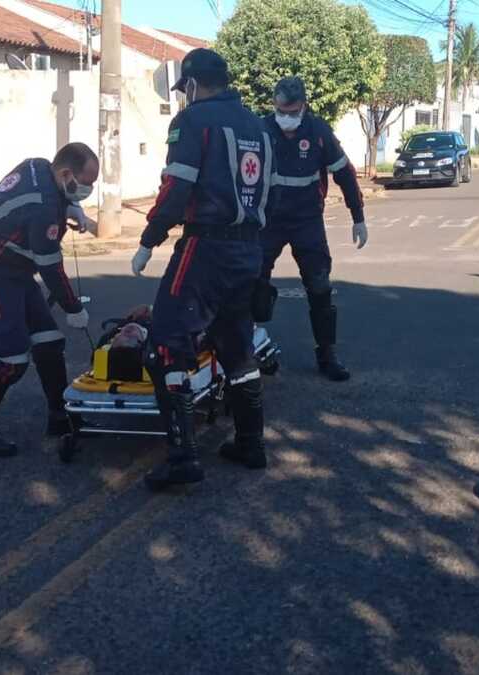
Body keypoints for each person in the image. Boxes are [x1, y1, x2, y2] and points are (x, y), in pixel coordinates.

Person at [130, 48, 273, 489]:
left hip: (206, 248)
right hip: (249, 250)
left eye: (183, 89)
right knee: (236, 346)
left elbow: (176, 188)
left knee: (165, 347)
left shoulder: (191, 121)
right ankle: (250, 443)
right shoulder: (258, 125)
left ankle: (182, 457)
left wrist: (149, 239)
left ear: (191, 85)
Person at [0, 142, 97, 457]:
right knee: (12, 356)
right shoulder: (44, 206)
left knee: (48, 339)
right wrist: (74, 307)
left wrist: (70, 207)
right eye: (85, 184)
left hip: (12, 265)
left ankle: (60, 416)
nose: (88, 190)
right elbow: (50, 268)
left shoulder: (38, 166)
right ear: (64, 173)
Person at [261, 76, 368, 382]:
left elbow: (344, 173)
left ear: (303, 106)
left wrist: (357, 215)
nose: (286, 117)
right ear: (274, 105)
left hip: (307, 221)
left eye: (293, 111)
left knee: (319, 288)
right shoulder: (261, 129)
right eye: (281, 110)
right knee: (251, 285)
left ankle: (327, 354)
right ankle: (248, 348)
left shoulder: (318, 131)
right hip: (268, 221)